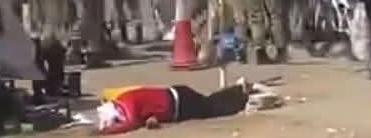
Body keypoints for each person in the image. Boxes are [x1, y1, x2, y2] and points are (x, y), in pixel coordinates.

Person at [96, 80, 264, 134]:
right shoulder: (123, 100)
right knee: (210, 104)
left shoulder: (127, 104)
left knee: (212, 108)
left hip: (179, 103)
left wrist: (107, 132)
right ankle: (240, 90)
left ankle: (243, 93)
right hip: (177, 99)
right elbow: (143, 113)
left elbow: (132, 123)